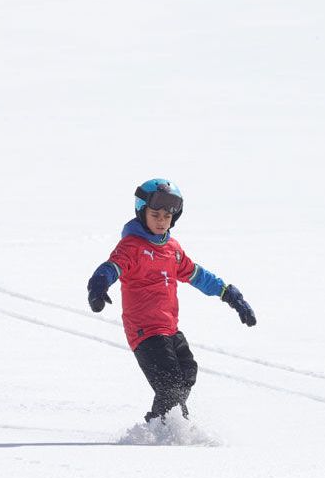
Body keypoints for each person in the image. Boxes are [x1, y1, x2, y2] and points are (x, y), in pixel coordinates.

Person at [86, 178, 256, 423]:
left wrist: (230, 295)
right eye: (155, 214)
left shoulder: (172, 250)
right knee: (170, 385)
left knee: (187, 372)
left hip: (169, 328)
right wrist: (98, 285)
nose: (161, 221)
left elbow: (199, 276)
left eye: (167, 216)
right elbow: (112, 266)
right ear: (141, 212)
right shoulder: (131, 246)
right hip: (145, 331)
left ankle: (162, 424)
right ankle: (172, 430)